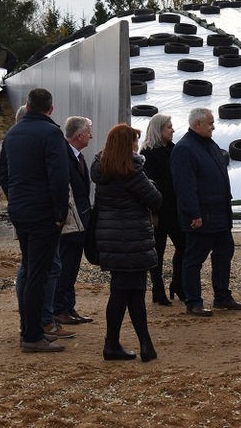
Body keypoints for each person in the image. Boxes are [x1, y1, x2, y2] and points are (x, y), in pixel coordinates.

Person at [0, 88, 69, 353]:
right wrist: (60, 212)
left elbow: (2, 171)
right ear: (50, 109)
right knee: (37, 275)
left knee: (29, 269)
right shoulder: (51, 134)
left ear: (27, 106)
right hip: (43, 213)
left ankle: (32, 329)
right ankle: (31, 336)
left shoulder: (12, 133)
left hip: (20, 210)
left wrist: (14, 196)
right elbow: (59, 177)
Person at [92, 124, 162, 362]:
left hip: (112, 240)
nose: (137, 145)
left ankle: (142, 345)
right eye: (134, 141)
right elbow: (156, 200)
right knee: (127, 293)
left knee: (126, 292)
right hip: (133, 240)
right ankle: (126, 345)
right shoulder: (131, 171)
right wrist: (151, 182)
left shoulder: (103, 169)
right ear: (127, 145)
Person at [171, 108, 241, 317]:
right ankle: (193, 302)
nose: (214, 127)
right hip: (202, 217)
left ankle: (222, 296)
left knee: (225, 253)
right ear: (198, 125)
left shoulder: (209, 144)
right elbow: (185, 186)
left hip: (220, 215)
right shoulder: (184, 149)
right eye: (210, 123)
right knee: (194, 259)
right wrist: (194, 213)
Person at [141, 114, 186, 306]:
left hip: (175, 209)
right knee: (157, 252)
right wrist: (153, 212)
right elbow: (148, 186)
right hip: (159, 211)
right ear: (159, 130)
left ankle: (177, 283)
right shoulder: (148, 154)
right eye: (169, 127)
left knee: (184, 246)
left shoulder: (174, 150)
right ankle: (157, 289)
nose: (173, 130)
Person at [53, 116, 95, 326]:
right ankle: (60, 309)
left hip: (81, 220)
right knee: (65, 267)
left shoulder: (77, 156)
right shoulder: (64, 156)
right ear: (79, 135)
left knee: (72, 267)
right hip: (70, 222)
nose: (91, 135)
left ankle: (68, 307)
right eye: (88, 132)